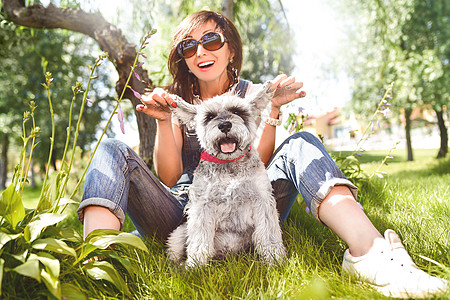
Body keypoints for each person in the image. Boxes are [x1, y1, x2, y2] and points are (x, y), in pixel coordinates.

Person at [77, 10, 448, 299]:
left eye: (210, 40)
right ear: (184, 59)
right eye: (189, 47)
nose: (201, 51)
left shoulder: (252, 92)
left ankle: (371, 254)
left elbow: (263, 162)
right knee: (111, 148)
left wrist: (271, 113)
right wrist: (163, 121)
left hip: (251, 202)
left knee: (301, 141)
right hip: (185, 214)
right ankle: (93, 270)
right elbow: (171, 177)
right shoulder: (176, 100)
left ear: (231, 49)